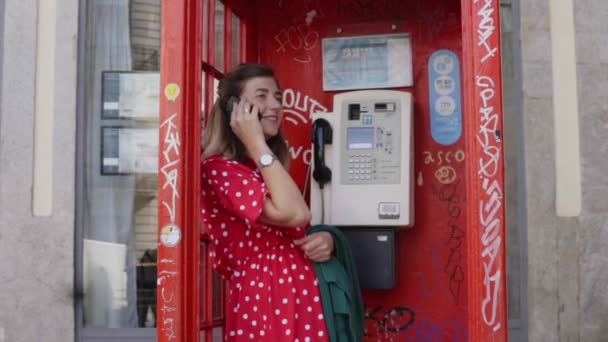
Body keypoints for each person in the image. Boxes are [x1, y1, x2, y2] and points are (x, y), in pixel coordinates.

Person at [201, 63, 335, 341]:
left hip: (296, 300)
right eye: (262, 96)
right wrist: (256, 143)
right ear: (234, 110)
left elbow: (296, 226)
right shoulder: (220, 170)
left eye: (279, 97)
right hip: (268, 301)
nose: (275, 105)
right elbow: (295, 213)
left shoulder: (256, 168)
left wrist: (324, 240)